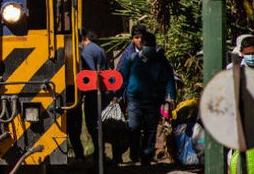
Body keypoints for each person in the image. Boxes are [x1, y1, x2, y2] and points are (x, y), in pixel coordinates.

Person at [118, 31, 176, 165]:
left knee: (134, 127)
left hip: (136, 98)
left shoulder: (132, 58)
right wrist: (171, 96)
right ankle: (145, 156)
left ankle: (136, 155)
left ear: (143, 43)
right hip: (151, 99)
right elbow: (169, 79)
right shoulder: (160, 59)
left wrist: (117, 95)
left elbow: (123, 79)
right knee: (150, 129)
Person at [67, 29, 111, 161]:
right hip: (102, 91)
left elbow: (90, 75)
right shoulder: (99, 49)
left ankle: (97, 154)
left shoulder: (86, 52)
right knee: (98, 124)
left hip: (93, 93)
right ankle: (100, 153)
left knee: (92, 125)